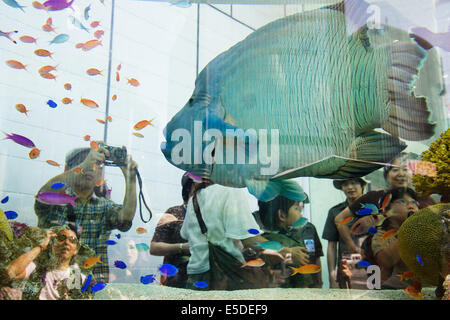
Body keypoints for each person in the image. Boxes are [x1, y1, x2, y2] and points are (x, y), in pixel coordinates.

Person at [34, 143, 138, 283]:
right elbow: (43, 195)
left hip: (93, 287)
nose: (90, 168)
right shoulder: (57, 199)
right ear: (66, 170)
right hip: (52, 286)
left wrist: (131, 179)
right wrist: (84, 165)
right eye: (83, 163)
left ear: (100, 174)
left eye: (96, 164)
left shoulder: (104, 206)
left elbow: (125, 218)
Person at [180, 180, 310, 290]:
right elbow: (250, 240)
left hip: (196, 278)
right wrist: (289, 252)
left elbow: (185, 234)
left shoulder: (195, 199)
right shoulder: (231, 191)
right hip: (225, 278)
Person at [334, 153, 433, 255]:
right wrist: (353, 247)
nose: (401, 174)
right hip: (382, 257)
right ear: (386, 175)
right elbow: (339, 219)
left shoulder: (422, 198)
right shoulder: (373, 197)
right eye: (395, 170)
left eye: (405, 169)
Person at [4, 225, 95, 300]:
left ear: (76, 249)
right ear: (52, 244)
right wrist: (40, 247)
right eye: (61, 238)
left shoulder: (80, 278)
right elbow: (11, 272)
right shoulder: (35, 268)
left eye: (72, 240)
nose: (66, 242)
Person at [258, 190, 323, 288]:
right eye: (297, 209)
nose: (301, 215)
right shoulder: (293, 246)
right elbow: (303, 284)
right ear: (282, 215)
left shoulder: (265, 240)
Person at [361, 187, 420, 289]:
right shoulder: (381, 235)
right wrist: (409, 229)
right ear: (387, 209)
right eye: (402, 201)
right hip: (395, 289)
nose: (410, 206)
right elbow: (386, 261)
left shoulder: (425, 229)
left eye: (414, 202)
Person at [150, 172, 195, 288]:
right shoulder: (174, 212)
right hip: (177, 280)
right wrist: (182, 247)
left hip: (204, 280)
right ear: (188, 189)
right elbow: (154, 248)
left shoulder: (211, 215)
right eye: (199, 188)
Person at [322, 177, 369, 289]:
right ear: (342, 188)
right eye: (345, 184)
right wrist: (332, 274)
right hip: (346, 269)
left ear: (362, 185)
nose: (350, 187)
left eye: (353, 183)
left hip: (371, 268)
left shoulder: (373, 209)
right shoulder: (335, 212)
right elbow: (332, 245)